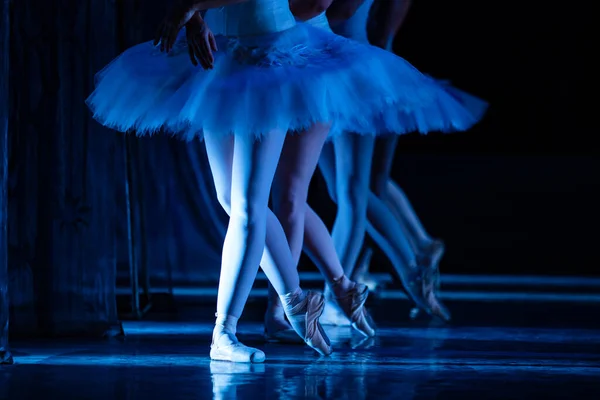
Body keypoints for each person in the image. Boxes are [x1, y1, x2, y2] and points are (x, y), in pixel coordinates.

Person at [87, 0, 486, 362]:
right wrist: (198, 16)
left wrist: (197, 6)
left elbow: (328, 8)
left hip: (275, 52)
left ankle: (230, 328)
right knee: (234, 200)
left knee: (265, 200)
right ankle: (303, 298)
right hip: (225, 51)